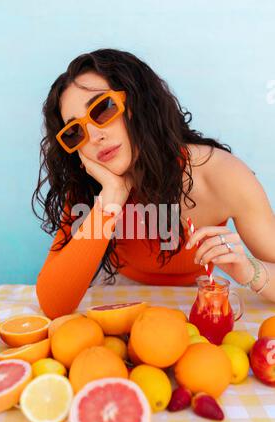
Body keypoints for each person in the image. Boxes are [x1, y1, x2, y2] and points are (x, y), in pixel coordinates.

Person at [32, 48, 275, 319]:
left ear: (139, 104)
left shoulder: (221, 174)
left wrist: (248, 270)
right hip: (118, 300)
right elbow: (54, 304)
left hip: (194, 301)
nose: (94, 136)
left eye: (103, 109)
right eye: (75, 131)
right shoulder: (92, 186)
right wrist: (111, 198)